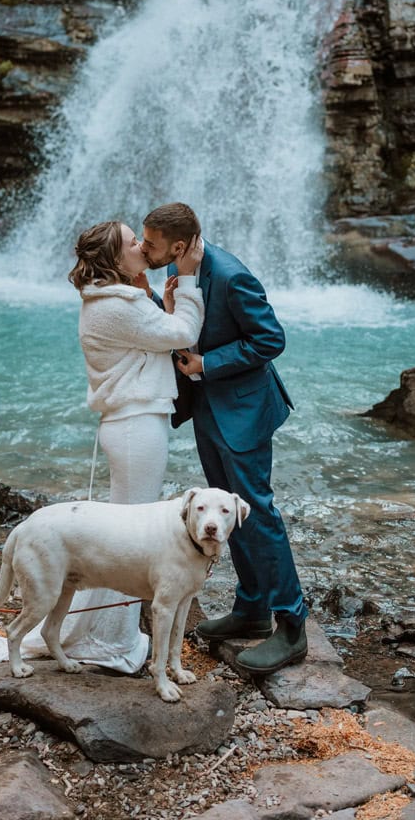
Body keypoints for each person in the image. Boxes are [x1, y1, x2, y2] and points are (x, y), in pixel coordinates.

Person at [0, 219, 203, 673]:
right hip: (137, 428)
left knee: (121, 538)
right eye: (131, 242)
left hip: (132, 424)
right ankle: (107, 641)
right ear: (116, 260)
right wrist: (191, 277)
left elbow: (154, 327)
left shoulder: (113, 300)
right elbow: (181, 335)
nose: (141, 245)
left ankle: (106, 633)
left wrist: (161, 298)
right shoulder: (118, 307)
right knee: (130, 543)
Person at [140, 202, 307, 675]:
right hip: (208, 407)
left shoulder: (232, 276)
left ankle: (292, 627)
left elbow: (270, 339)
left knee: (258, 510)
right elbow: (182, 326)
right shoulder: (177, 265)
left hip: (244, 410)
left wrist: (208, 364)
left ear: (177, 244)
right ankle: (251, 608)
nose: (144, 249)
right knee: (230, 513)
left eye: (150, 243)